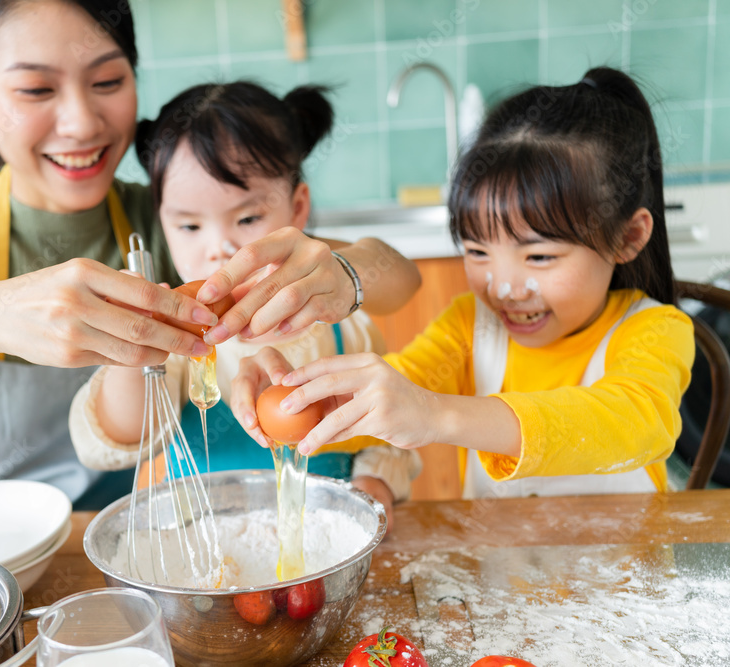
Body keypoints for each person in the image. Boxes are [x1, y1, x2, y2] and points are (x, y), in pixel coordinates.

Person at [0, 0, 414, 510]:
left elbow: (393, 274)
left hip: (97, 543)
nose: (81, 123)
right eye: (36, 91)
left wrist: (346, 275)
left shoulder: (173, 225)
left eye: (106, 81)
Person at [231, 67, 696, 498]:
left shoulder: (655, 330)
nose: (505, 287)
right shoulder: (469, 327)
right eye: (478, 252)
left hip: (625, 576)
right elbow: (390, 397)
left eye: (539, 256)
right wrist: (296, 399)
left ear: (629, 237)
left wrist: (437, 414)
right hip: (501, 573)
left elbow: (631, 424)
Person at [69, 82, 423, 512]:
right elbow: (115, 438)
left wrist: (376, 482)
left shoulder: (341, 321)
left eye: (248, 217)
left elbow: (382, 434)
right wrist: (134, 351)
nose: (218, 248)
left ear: (296, 209)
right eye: (189, 227)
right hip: (210, 551)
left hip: (328, 539)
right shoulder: (177, 341)